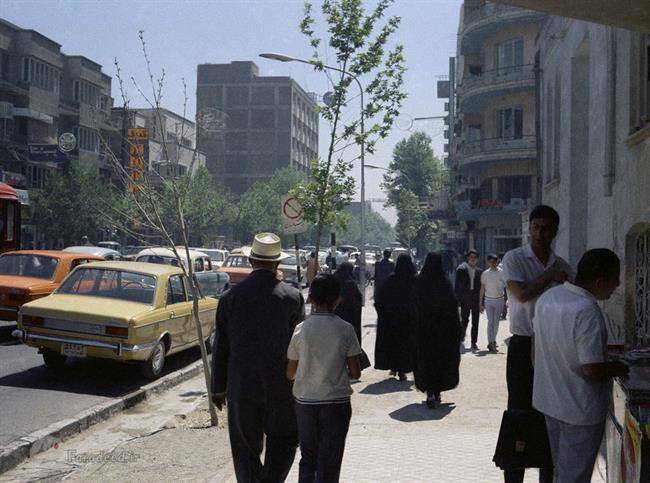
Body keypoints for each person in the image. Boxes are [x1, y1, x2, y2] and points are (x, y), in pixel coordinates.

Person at [211, 232, 305, 483]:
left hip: (242, 386)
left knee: (245, 448)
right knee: (284, 442)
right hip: (283, 387)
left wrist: (218, 389)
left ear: (251, 261)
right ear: (277, 264)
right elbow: (299, 347)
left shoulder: (230, 298)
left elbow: (221, 348)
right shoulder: (292, 298)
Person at [532, 249, 629, 483]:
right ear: (599, 282)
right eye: (615, 279)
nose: (617, 285)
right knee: (573, 477)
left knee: (562, 472)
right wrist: (621, 367)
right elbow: (592, 369)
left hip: (550, 401)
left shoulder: (549, 297)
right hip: (579, 409)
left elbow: (535, 352)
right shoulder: (587, 310)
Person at [500, 205, 572, 483]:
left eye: (546, 228)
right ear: (529, 228)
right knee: (519, 411)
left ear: (555, 231)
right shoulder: (515, 258)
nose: (540, 233)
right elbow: (521, 296)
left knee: (550, 414)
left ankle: (548, 474)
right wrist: (549, 276)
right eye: (536, 227)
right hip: (523, 344)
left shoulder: (563, 266)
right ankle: (514, 474)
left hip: (553, 348)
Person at [287, 274, 362, 483]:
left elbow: (290, 373)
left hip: (305, 403)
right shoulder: (346, 329)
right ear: (338, 299)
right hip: (336, 403)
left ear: (310, 298)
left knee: (308, 457)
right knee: (330, 459)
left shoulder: (301, 329)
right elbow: (356, 373)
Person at [414, 253, 462, 408]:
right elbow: (453, 308)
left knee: (425, 361)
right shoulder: (444, 283)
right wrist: (457, 331)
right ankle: (438, 391)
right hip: (442, 333)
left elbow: (413, 307)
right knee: (441, 361)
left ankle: (430, 391)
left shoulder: (419, 282)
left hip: (424, 333)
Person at [374, 254, 417, 381]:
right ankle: (403, 370)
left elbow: (380, 299)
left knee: (394, 343)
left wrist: (383, 314)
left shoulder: (390, 280)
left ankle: (394, 366)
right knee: (406, 344)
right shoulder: (414, 280)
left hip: (392, 319)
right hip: (409, 319)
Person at [334, 262, 371, 370]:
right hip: (349, 318)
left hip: (335, 317)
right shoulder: (350, 284)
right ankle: (354, 366)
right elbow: (357, 302)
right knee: (351, 343)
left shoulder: (333, 281)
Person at [454, 249, 483, 350]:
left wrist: (482, 302)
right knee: (464, 320)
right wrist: (457, 300)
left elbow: (482, 288)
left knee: (476, 321)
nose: (473, 259)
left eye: (475, 257)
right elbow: (457, 286)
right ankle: (461, 339)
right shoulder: (461, 269)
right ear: (468, 258)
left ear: (477, 259)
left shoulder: (480, 271)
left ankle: (473, 342)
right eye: (471, 257)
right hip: (465, 298)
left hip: (475, 298)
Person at [480, 253, 506, 353]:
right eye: (490, 262)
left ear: (497, 262)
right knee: (490, 322)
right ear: (488, 262)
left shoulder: (502, 273)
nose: (492, 264)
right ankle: (491, 342)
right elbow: (482, 288)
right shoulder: (485, 274)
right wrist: (480, 303)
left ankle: (493, 340)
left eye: (494, 262)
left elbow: (507, 286)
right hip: (488, 300)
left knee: (496, 322)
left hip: (499, 299)